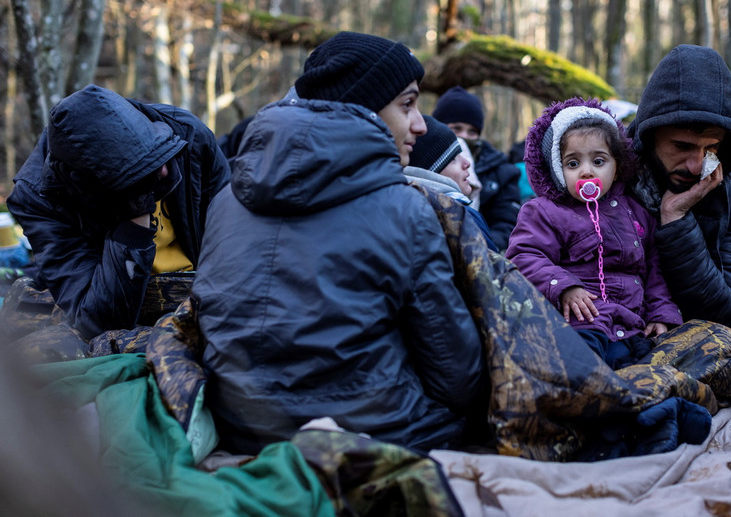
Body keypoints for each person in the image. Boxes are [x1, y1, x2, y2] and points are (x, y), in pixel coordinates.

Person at [192, 31, 486, 455]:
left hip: (237, 426)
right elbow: (457, 376)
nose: (421, 124)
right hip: (375, 435)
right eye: (407, 104)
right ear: (363, 108)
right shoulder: (405, 208)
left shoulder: (225, 198)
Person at [5, 84, 230, 340]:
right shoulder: (39, 200)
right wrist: (135, 217)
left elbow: (234, 243)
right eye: (140, 172)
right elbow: (98, 320)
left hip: (205, 291)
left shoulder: (186, 137)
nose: (165, 172)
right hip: (134, 309)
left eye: (159, 157)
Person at [506, 98, 682, 367]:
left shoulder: (636, 212)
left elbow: (655, 270)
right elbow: (524, 255)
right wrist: (562, 287)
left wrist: (660, 313)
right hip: (581, 324)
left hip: (631, 327)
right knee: (584, 372)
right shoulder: (545, 212)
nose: (587, 171)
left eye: (598, 161)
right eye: (573, 164)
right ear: (557, 169)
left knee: (650, 372)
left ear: (617, 165)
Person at [627, 45, 731, 327]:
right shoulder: (609, 174)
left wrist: (676, 220)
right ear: (650, 136)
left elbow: (725, 315)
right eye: (681, 146)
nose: (696, 165)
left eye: (711, 147)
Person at [432, 86, 521, 251]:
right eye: (456, 128)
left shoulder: (502, 171)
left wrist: (479, 247)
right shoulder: (424, 161)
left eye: (472, 131)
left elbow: (507, 223)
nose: (464, 136)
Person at [405, 115, 498, 251]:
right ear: (431, 172)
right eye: (453, 158)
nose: (466, 163)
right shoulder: (462, 217)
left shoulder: (405, 210)